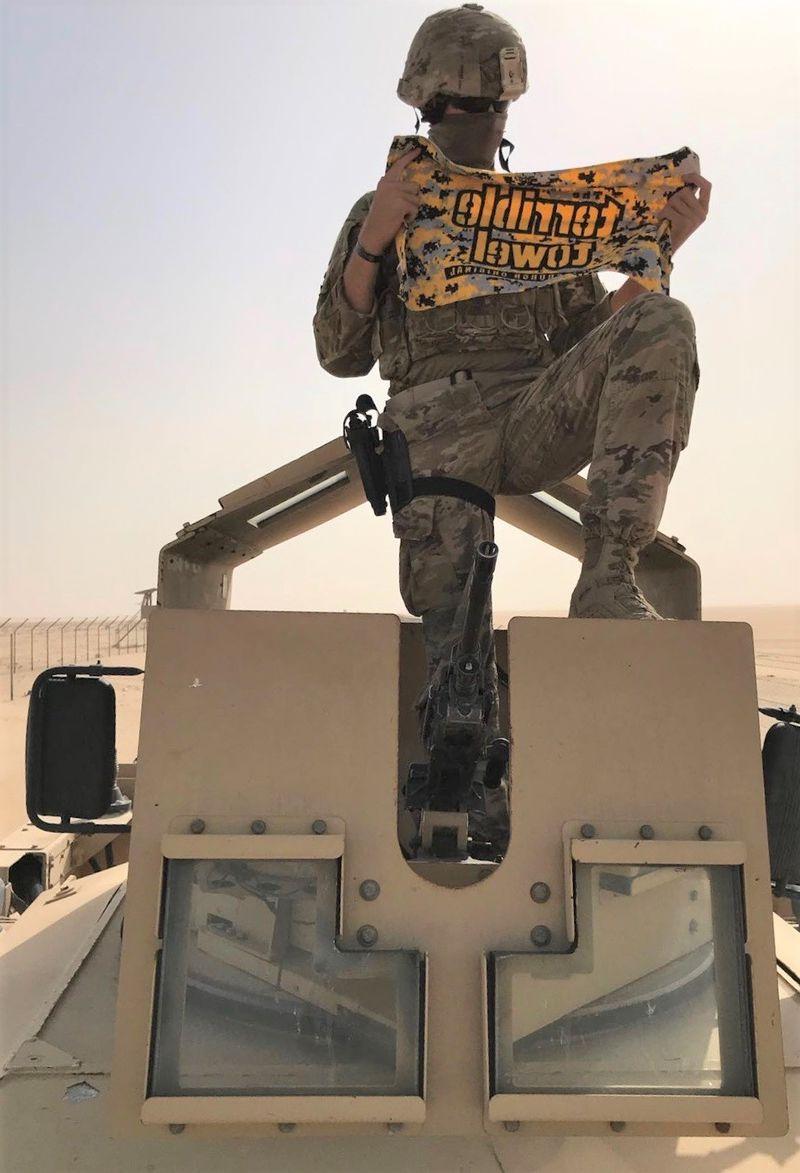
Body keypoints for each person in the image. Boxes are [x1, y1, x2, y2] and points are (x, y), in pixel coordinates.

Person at [313, 2, 710, 749]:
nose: (482, 121)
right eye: (465, 107)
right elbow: (339, 352)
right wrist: (375, 240)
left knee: (663, 319)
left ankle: (607, 576)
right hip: (436, 439)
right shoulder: (381, 210)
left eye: (493, 106)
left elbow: (589, 343)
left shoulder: (536, 215)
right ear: (428, 109)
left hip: (531, 414)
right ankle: (464, 766)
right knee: (455, 671)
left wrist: (657, 251)